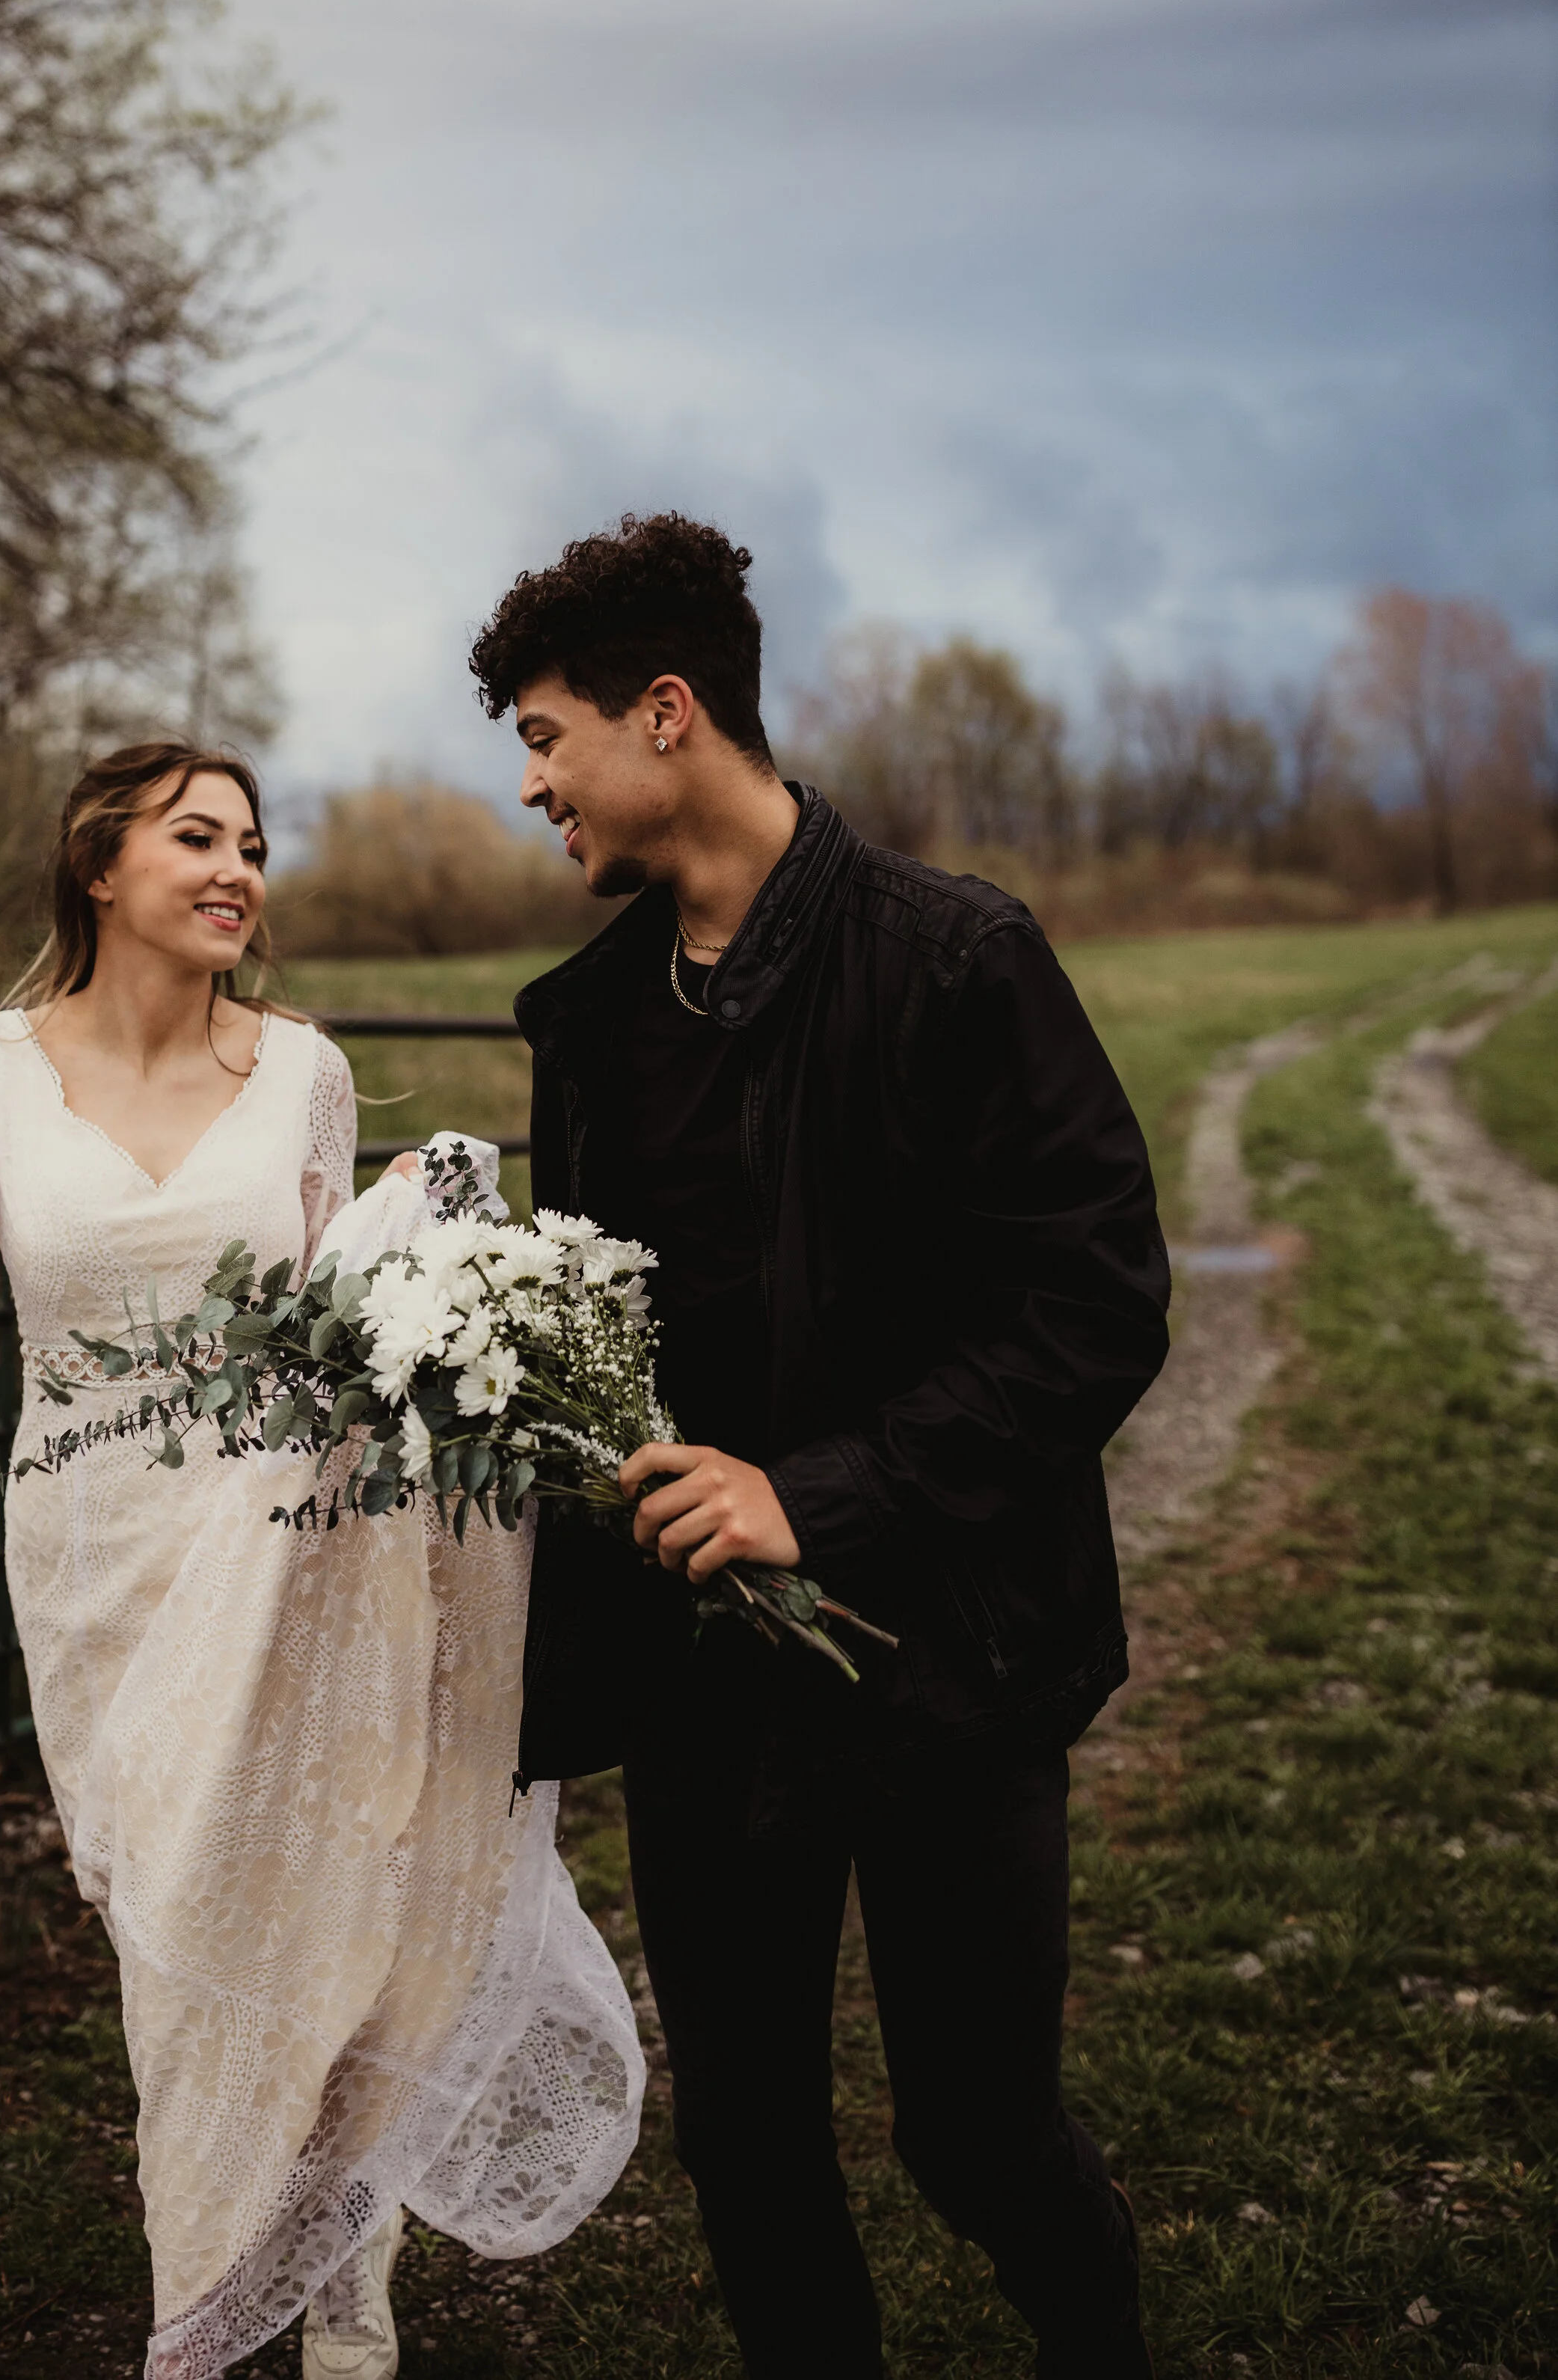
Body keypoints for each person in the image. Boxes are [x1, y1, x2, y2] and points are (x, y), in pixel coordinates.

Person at [0, 740, 641, 2380]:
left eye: (253, 845)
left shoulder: (306, 1071)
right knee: (182, 1939)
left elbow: (341, 1324)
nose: (236, 870)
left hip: (297, 1549)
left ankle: (335, 2294)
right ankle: (220, 2280)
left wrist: (425, 1249)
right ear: (96, 863)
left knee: (336, 1897)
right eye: (197, 836)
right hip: (97, 1564)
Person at [467, 518, 1170, 2379]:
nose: (531, 783)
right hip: (707, 1687)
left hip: (949, 1660)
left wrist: (819, 1495)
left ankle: (1099, 2336)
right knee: (747, 2146)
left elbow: (1095, 1304)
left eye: (546, 735)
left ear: (666, 714)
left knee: (971, 2134)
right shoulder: (601, 1022)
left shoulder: (956, 960)